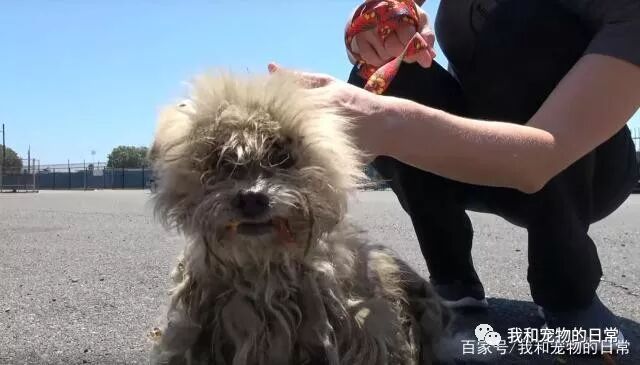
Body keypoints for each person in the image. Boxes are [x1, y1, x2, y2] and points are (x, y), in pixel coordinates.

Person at [268, 0, 640, 343]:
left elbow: (543, 156)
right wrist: (374, 31)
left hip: (582, 169)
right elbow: (386, 11)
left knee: (527, 20)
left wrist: (387, 123)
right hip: (474, 156)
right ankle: (453, 284)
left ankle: (568, 291)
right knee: (395, 72)